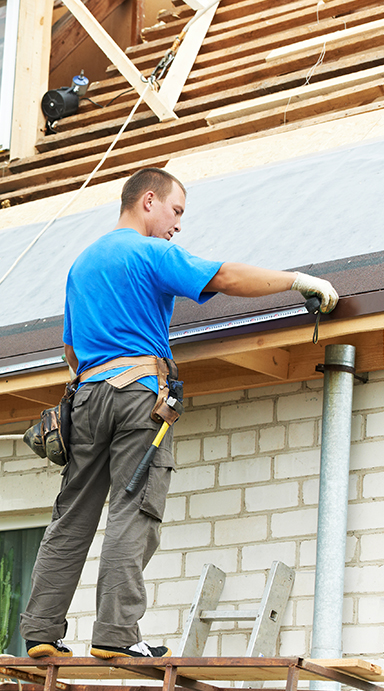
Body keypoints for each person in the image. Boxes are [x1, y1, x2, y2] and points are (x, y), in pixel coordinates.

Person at [19, 168, 337, 660]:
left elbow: (69, 347)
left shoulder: (82, 264)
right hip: (138, 396)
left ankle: (41, 634)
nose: (178, 225)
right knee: (135, 509)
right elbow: (224, 276)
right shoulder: (150, 252)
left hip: (85, 397)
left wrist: (96, 385)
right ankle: (115, 636)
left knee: (72, 516)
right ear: (149, 200)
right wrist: (298, 280)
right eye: (177, 210)